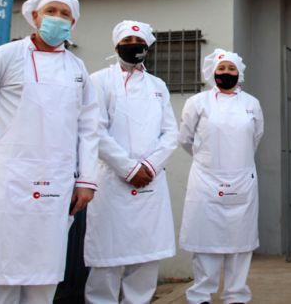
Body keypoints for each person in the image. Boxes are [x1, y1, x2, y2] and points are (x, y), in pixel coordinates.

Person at [0, 0, 99, 304]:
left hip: (57, 180)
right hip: (9, 179)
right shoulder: (4, 56)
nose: (58, 19)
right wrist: (2, 138)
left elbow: (89, 126)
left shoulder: (77, 68)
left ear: (73, 24)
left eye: (65, 15)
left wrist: (87, 180)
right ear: (35, 16)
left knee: (43, 273)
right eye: (51, 12)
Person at [83, 20, 178, 304]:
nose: (134, 45)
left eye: (139, 40)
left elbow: (171, 132)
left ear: (147, 48)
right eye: (127, 40)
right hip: (112, 181)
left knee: (147, 258)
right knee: (106, 258)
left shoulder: (158, 85)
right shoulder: (98, 80)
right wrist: (128, 167)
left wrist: (149, 166)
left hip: (151, 181)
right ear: (116, 46)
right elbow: (94, 130)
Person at [179, 49, 264, 304]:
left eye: (231, 69)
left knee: (240, 242)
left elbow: (256, 136)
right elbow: (185, 139)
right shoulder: (198, 102)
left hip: (242, 179)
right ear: (212, 72)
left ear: (239, 73)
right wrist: (208, 162)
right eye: (221, 69)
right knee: (206, 240)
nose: (226, 73)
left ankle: (236, 295)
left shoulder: (251, 103)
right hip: (205, 180)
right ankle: (201, 295)